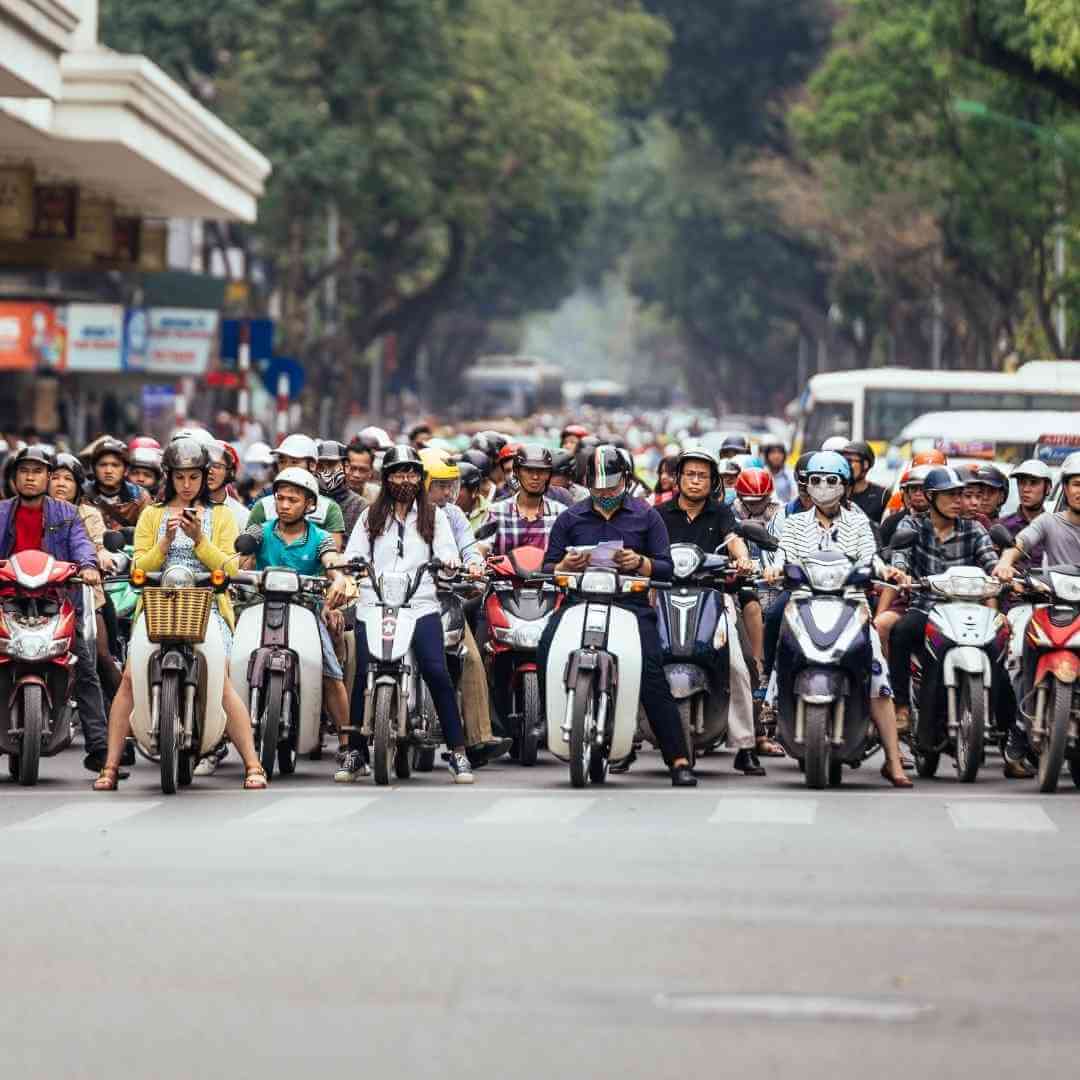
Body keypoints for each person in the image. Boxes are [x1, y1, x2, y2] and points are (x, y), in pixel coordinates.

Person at [92, 438, 267, 790]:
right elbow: (139, 567)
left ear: (205, 477)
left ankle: (253, 764)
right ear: (169, 477)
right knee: (129, 679)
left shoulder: (220, 515)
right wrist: (164, 543)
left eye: (194, 477)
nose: (187, 485)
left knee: (221, 681)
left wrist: (199, 539)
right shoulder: (152, 515)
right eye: (180, 477)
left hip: (207, 605)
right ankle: (109, 767)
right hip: (157, 604)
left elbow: (229, 568)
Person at [539, 444, 698, 786]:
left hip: (630, 605)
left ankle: (678, 758)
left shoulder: (646, 516)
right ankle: (546, 718)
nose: (606, 495)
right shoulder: (570, 518)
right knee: (546, 647)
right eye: (599, 489)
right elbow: (549, 567)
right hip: (579, 601)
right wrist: (566, 564)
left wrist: (640, 563)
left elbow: (667, 567)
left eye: (611, 488)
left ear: (625, 481)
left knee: (651, 673)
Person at [763, 451, 912, 786]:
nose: (823, 486)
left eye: (831, 480)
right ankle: (770, 700)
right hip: (803, 603)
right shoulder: (795, 523)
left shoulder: (858, 522)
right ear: (806, 485)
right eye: (816, 480)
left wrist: (887, 571)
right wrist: (774, 569)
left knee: (877, 675)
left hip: (851, 605)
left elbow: (871, 558)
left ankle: (893, 759)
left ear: (844, 486)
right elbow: (783, 555)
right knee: (784, 647)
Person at [329, 445, 475, 784]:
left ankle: (457, 752)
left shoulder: (434, 516)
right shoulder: (370, 515)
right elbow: (354, 554)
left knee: (436, 670)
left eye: (410, 473)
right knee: (362, 671)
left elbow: (447, 554)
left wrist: (450, 562)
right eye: (398, 473)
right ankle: (356, 753)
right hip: (373, 604)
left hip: (420, 604)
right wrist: (348, 565)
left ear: (420, 478)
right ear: (386, 478)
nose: (404, 480)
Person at [242, 467, 363, 781]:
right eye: (280, 498)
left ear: (309, 504)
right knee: (234, 661)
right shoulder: (261, 531)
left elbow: (331, 560)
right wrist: (240, 561)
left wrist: (338, 578)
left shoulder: (320, 537)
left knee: (330, 671)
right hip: (261, 609)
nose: (284, 505)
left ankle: (348, 745)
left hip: (307, 612)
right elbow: (241, 556)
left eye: (293, 500)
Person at [0, 447, 112, 773]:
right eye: (24, 471)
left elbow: (82, 545)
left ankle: (100, 750)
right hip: (6, 601)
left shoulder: (67, 513)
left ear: (47, 477)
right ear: (14, 477)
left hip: (56, 601)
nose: (30, 477)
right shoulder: (2, 512)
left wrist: (88, 566)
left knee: (85, 667)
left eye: (37, 472)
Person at [657, 449, 769, 773]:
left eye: (702, 476)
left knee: (738, 665)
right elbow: (643, 548)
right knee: (639, 659)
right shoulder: (659, 514)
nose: (695, 481)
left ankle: (745, 745)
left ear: (713, 482)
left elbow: (734, 541)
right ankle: (624, 743)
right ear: (678, 479)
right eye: (690, 474)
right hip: (662, 598)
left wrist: (743, 559)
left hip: (713, 599)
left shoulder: (721, 513)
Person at [879, 466, 999, 765]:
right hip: (926, 607)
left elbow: (991, 562)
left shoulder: (974, 529)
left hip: (967, 610)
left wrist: (1002, 571)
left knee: (998, 647)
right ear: (931, 498)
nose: (959, 501)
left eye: (960, 494)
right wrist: (900, 572)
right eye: (951, 495)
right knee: (901, 632)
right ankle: (902, 707)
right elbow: (900, 557)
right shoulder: (911, 525)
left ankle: (1007, 727)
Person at [422, 453, 512, 767]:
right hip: (400, 601)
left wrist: (474, 565)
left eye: (451, 485)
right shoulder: (400, 513)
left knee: (471, 659)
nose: (448, 492)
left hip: (443, 600)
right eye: (440, 485)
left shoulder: (454, 515)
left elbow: (468, 547)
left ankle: (477, 738)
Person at [48, 453, 123, 705]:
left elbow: (97, 545)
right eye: (55, 477)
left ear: (78, 485)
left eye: (68, 479)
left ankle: (125, 715)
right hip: (40, 595)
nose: (61, 483)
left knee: (100, 657)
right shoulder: (36, 511)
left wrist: (101, 557)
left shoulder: (87, 514)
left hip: (84, 595)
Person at [247, 434, 347, 549]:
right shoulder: (263, 504)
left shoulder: (329, 508)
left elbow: (332, 554)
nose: (286, 467)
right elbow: (248, 550)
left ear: (312, 465)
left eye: (294, 462)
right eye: (282, 461)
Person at [484, 444, 565, 556]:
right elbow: (482, 546)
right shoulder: (496, 512)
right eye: (528, 470)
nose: (535, 477)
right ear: (517, 472)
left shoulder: (561, 514)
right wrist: (475, 561)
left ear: (548, 475)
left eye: (541, 471)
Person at [83, 437, 150, 529]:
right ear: (94, 469)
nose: (108, 471)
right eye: (103, 465)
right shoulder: (83, 496)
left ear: (126, 470)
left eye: (115, 465)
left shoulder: (140, 497)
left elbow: (148, 531)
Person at [999, 460, 1053, 568]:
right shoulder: (1002, 526)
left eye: (1033, 483)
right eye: (1021, 483)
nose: (1025, 489)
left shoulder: (1055, 527)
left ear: (1047, 488)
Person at [317, 440, 365, 539]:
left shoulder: (360, 506)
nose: (325, 471)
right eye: (320, 466)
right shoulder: (307, 501)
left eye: (331, 464)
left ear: (346, 467)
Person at [206, 441, 249, 533]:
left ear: (230, 472)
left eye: (216, 466)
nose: (209, 471)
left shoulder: (242, 516)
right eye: (206, 465)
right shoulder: (188, 509)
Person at [842, 441, 888, 523]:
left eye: (850, 461)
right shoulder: (837, 494)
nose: (846, 465)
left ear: (865, 464)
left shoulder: (882, 495)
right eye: (844, 461)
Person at [345, 439, 381, 504]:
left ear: (371, 471)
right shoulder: (330, 495)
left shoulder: (378, 495)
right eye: (352, 468)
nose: (356, 475)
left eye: (363, 470)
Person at [760, 438, 795, 503]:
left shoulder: (790, 474)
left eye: (780, 452)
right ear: (767, 455)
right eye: (773, 452)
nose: (776, 456)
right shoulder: (761, 474)